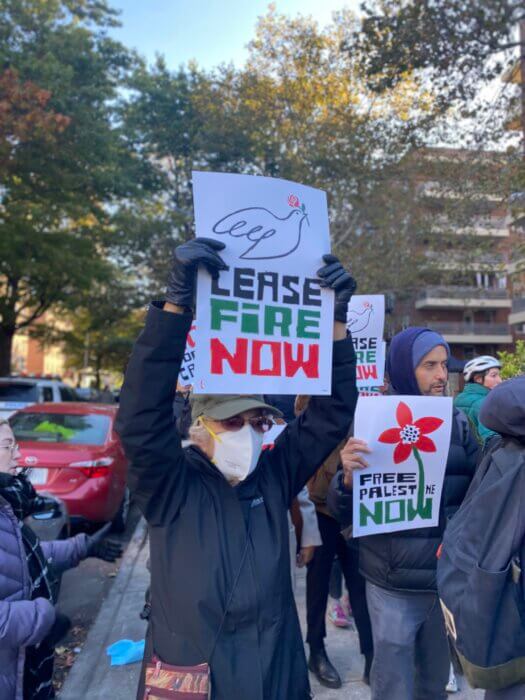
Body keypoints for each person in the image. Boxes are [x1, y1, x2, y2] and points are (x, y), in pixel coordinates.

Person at [115, 237, 358, 700]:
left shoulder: (273, 475)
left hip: (274, 673)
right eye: (233, 421)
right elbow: (139, 418)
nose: (248, 432)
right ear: (200, 426)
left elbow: (333, 412)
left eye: (258, 421)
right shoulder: (170, 486)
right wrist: (174, 309)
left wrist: (336, 325)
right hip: (197, 677)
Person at [328, 327, 479, 700]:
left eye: (444, 365)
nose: (442, 375)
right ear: (403, 368)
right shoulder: (372, 422)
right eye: (430, 366)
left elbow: (479, 490)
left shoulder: (458, 423)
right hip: (390, 582)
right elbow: (341, 509)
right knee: (393, 685)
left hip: (442, 582)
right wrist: (346, 479)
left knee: (433, 684)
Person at [0, 418, 122, 700]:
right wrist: (42, 619)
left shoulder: (6, 506)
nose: (18, 455)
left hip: (24, 675)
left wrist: (83, 546)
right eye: (8, 446)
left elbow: (19, 559)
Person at [296, 395, 373, 689]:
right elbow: (301, 413)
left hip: (358, 505)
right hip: (319, 506)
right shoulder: (316, 394)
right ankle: (316, 650)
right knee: (317, 583)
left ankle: (371, 655)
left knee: (361, 584)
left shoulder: (368, 396)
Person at [454, 355, 502, 444]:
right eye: (494, 375)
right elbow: (492, 440)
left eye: (499, 375)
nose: (500, 380)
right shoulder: (486, 403)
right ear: (478, 379)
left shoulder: (458, 399)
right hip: (483, 456)